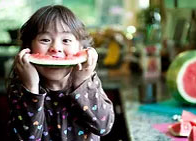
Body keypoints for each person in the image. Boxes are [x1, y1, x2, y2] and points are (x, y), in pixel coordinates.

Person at [6, 5, 115, 141]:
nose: (56, 48)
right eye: (45, 40)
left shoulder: (90, 81)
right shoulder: (20, 88)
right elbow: (26, 138)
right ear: (28, 48)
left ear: (81, 48)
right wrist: (31, 89)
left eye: (66, 40)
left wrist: (81, 83)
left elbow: (103, 127)